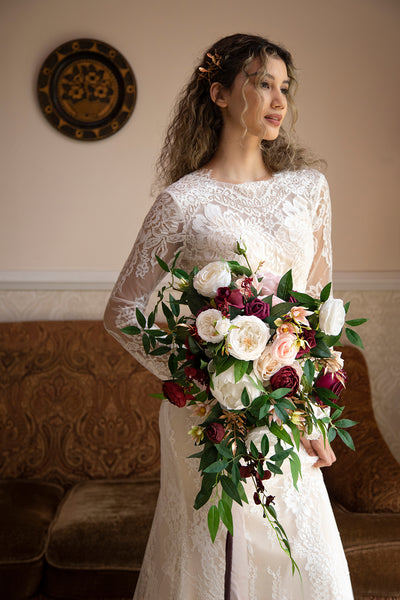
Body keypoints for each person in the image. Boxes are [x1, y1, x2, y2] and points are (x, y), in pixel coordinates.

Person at [104, 33, 353, 600]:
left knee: (295, 547)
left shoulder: (309, 189)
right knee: (218, 554)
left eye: (284, 86)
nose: (279, 99)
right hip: (210, 415)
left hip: (286, 406)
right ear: (218, 93)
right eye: (262, 82)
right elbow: (121, 312)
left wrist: (314, 411)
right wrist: (198, 383)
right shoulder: (183, 201)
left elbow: (317, 307)